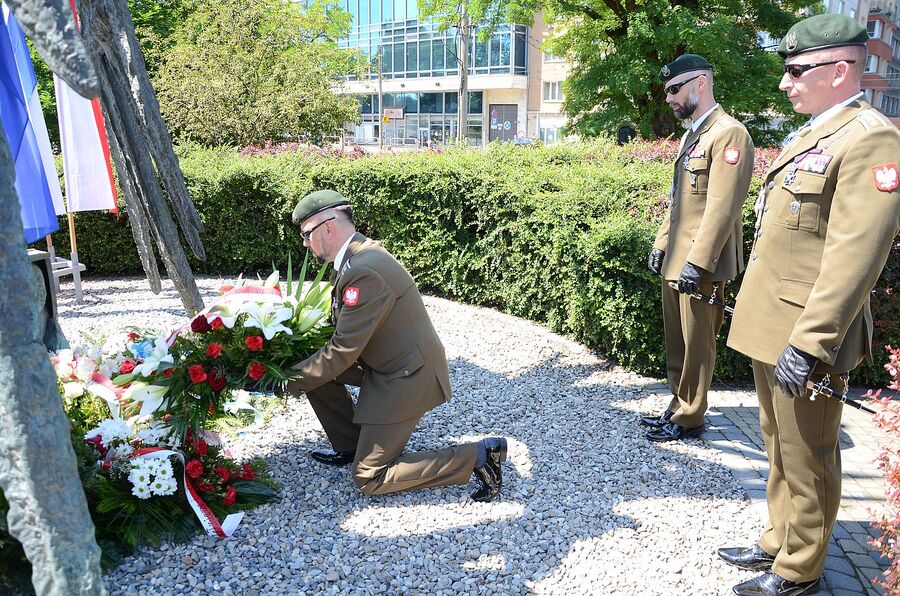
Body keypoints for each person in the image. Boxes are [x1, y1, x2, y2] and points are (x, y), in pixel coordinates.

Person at [721, 14, 900, 596]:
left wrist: (812, 340)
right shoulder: (815, 131)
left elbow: (854, 256)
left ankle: (800, 570)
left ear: (839, 70)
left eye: (796, 71)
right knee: (777, 443)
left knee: (810, 454)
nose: (784, 83)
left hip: (806, 330)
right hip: (772, 318)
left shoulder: (870, 136)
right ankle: (779, 537)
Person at [286, 189, 507, 502]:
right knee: (313, 366)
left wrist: (283, 381)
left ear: (328, 227)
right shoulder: (358, 256)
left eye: (307, 234)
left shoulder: (364, 269)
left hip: (407, 377)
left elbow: (342, 351)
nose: (305, 243)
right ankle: (352, 443)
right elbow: (343, 338)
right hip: (389, 363)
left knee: (370, 477)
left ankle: (479, 457)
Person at [643, 54, 754, 442]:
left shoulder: (729, 134)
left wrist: (698, 261)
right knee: (678, 338)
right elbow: (679, 201)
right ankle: (678, 404)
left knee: (698, 341)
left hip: (700, 262)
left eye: (675, 89)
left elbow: (723, 207)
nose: (669, 98)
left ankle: (691, 415)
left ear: (701, 83)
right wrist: (662, 243)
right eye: (667, 91)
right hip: (678, 256)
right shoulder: (693, 134)